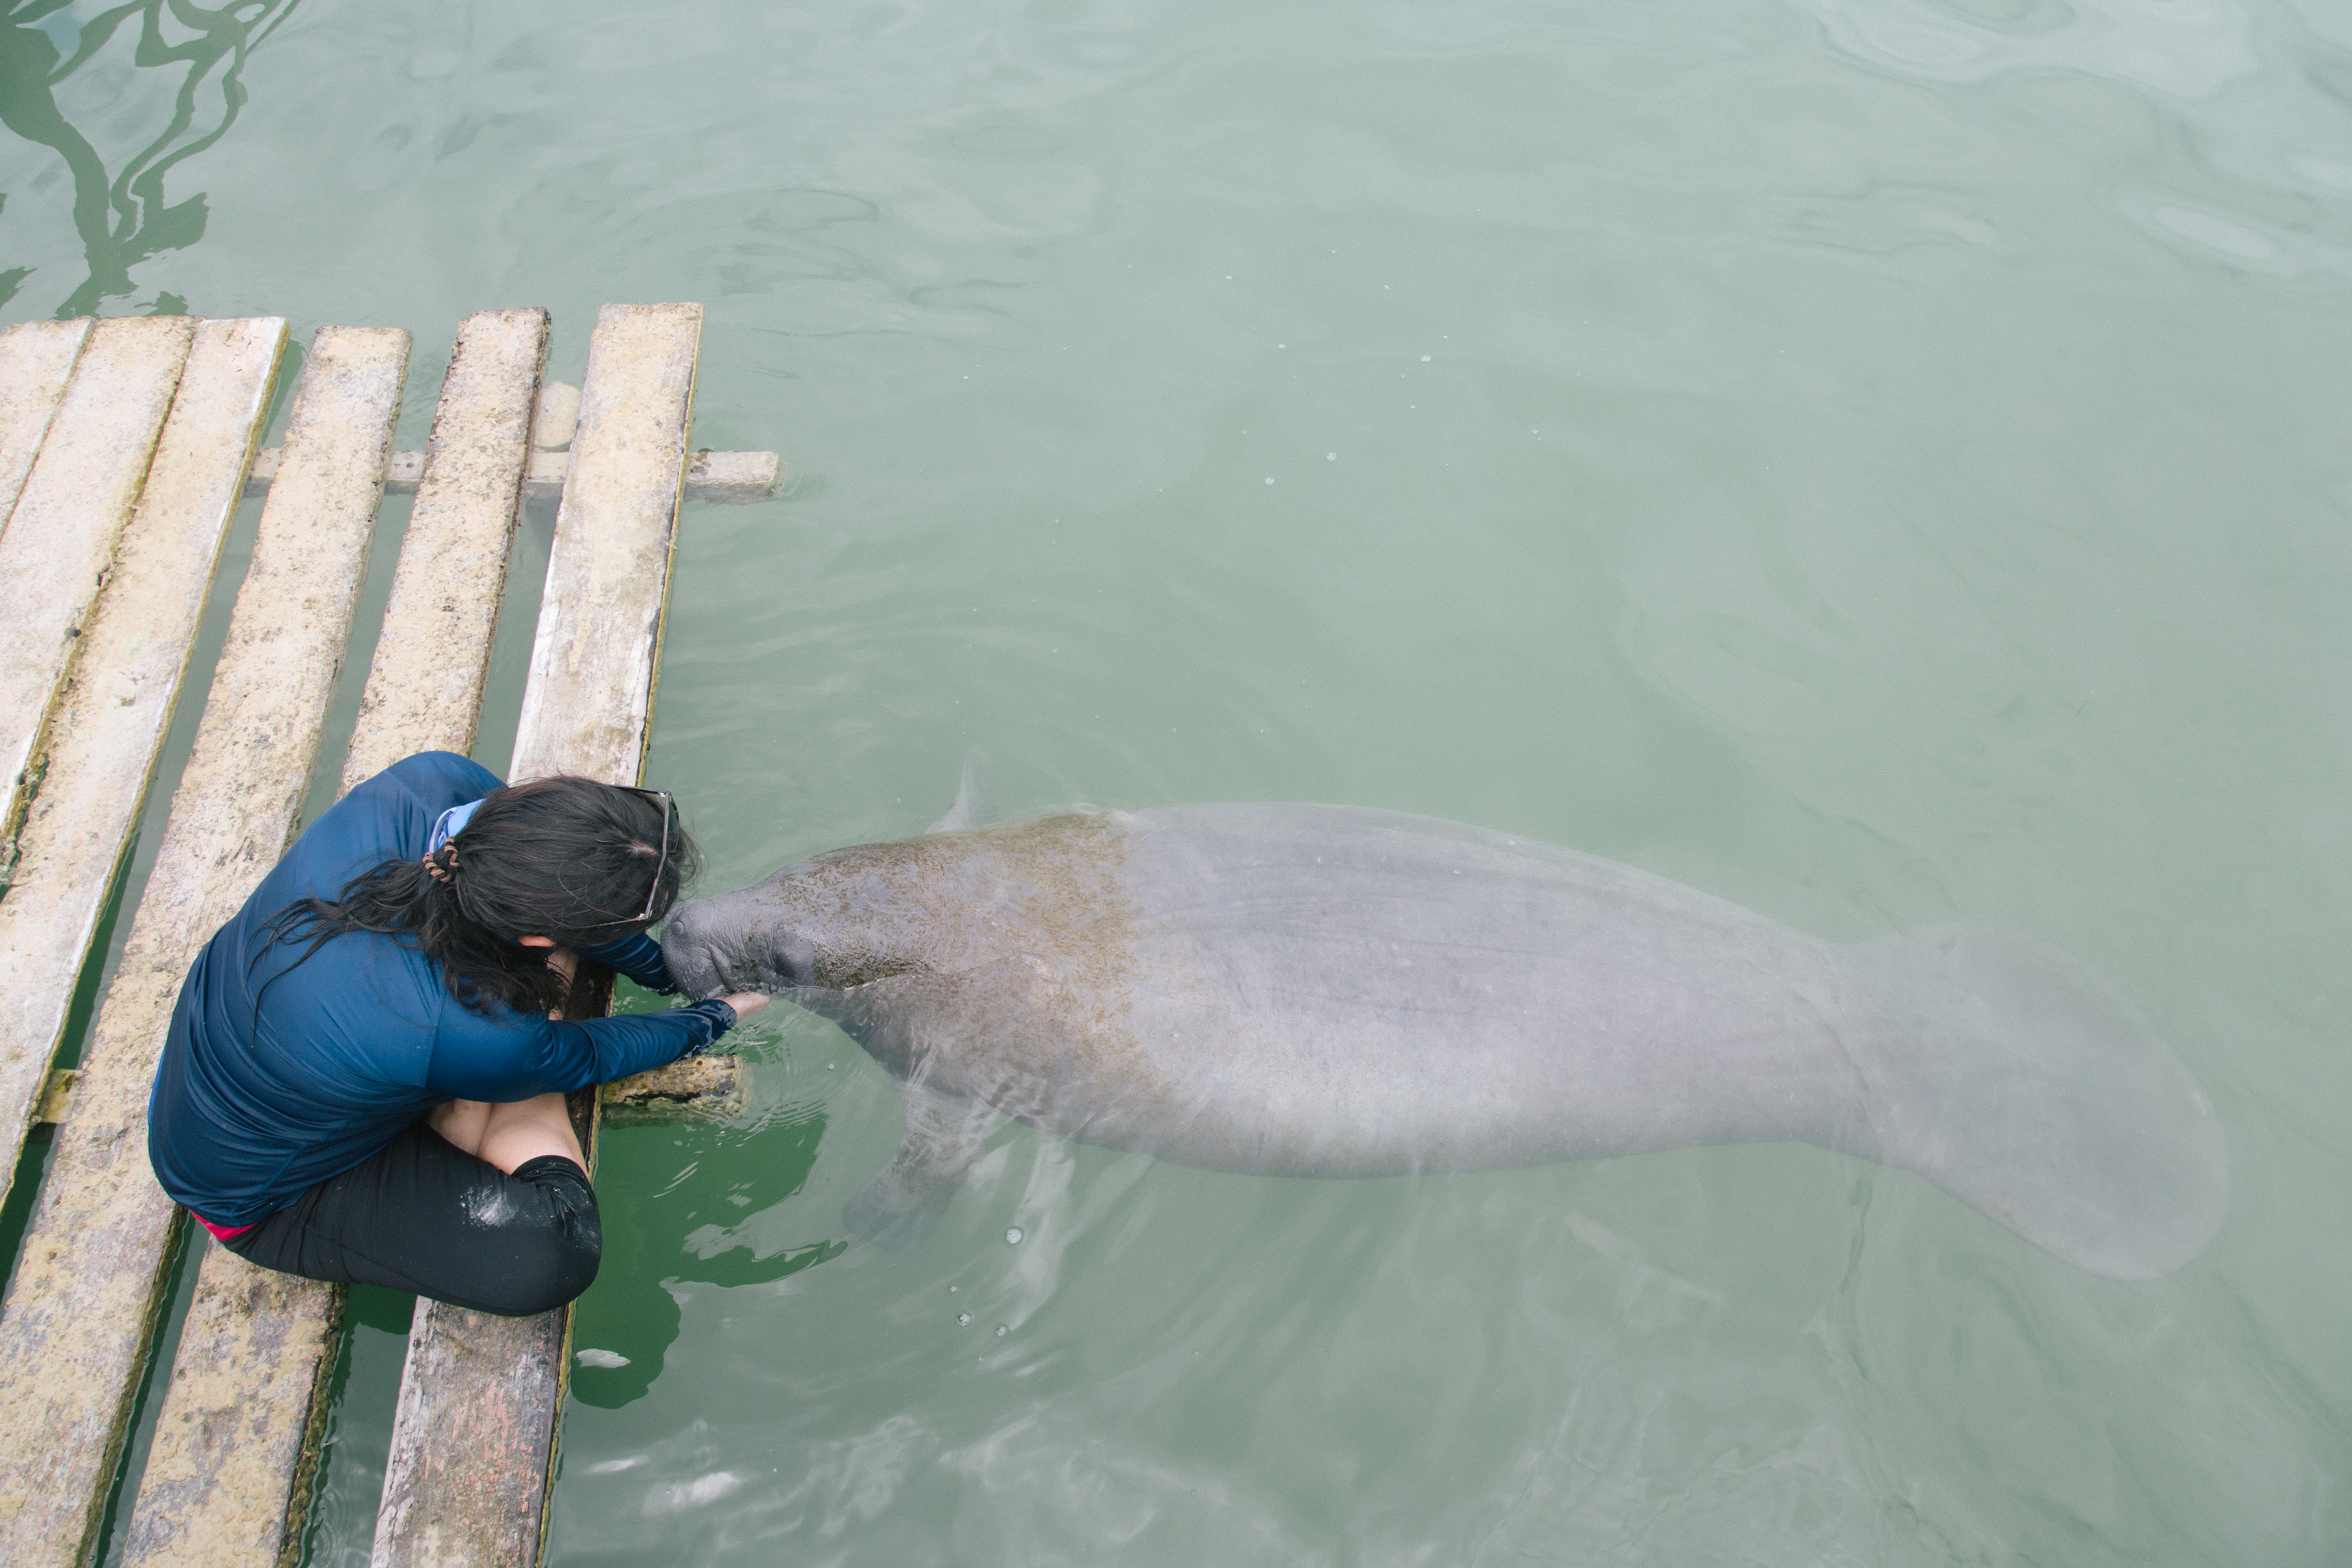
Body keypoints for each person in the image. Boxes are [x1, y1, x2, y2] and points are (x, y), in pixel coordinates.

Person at [146, 750, 767, 1317]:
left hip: (219, 1045)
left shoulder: (433, 781)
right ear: (537, 938)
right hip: (255, 1190)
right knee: (555, 1251)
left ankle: (476, 1087)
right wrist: (714, 1016)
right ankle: (473, 1111)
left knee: (494, 1038)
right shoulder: (479, 1033)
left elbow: (558, 911)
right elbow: (589, 1053)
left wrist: (664, 972)